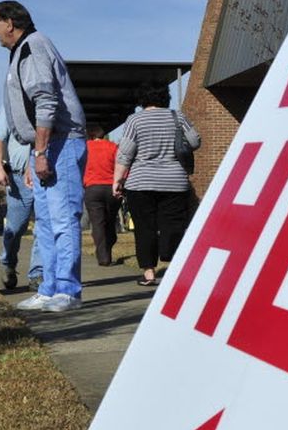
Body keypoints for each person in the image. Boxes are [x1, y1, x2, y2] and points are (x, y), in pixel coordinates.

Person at [0, 0, 87, 313]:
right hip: (43, 147)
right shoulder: (21, 51)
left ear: (9, 22)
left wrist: (42, 151)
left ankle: (68, 291)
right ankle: (47, 289)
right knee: (44, 223)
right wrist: (34, 153)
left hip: (61, 143)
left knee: (62, 219)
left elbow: (45, 102)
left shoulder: (33, 47)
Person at [112, 80, 200, 286]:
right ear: (165, 97)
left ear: (142, 99)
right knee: (173, 224)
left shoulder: (134, 120)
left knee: (144, 228)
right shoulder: (178, 117)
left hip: (140, 182)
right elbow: (195, 141)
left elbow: (125, 154)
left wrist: (117, 180)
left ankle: (149, 274)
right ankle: (169, 258)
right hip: (174, 181)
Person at [0, 106, 43, 291]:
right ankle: (9, 264)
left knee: (43, 227)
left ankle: (37, 274)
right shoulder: (10, 107)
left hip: (44, 176)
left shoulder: (47, 105)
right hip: (18, 178)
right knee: (15, 228)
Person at [83, 124, 121, 267]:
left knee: (97, 223)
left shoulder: (85, 148)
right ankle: (109, 245)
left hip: (92, 188)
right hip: (112, 187)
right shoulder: (113, 147)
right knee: (110, 220)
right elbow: (121, 165)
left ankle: (103, 256)